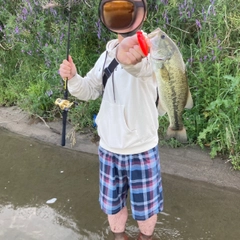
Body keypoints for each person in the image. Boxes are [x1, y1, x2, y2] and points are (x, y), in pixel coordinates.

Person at [59, 1, 163, 239]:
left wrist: (129, 60)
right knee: (113, 209)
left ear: (141, 15)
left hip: (142, 148)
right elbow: (89, 90)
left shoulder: (153, 50)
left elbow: (144, 70)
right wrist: (73, 78)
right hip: (109, 148)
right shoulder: (106, 55)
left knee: (146, 213)